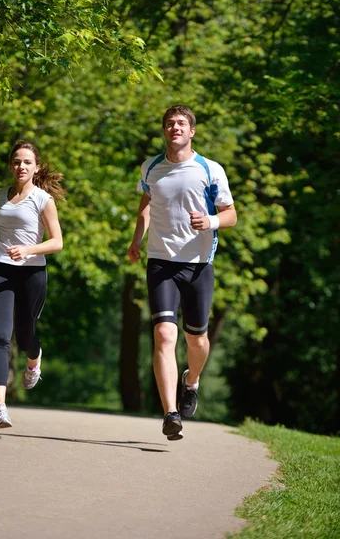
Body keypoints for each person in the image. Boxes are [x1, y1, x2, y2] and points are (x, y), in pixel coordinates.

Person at [127, 105, 237, 440]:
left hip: (199, 265)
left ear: (192, 131)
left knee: (197, 340)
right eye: (170, 124)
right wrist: (136, 240)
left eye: (181, 124)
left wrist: (211, 221)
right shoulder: (151, 168)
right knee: (164, 335)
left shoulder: (209, 169)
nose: (175, 128)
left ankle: (192, 381)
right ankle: (170, 413)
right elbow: (145, 203)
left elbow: (231, 214)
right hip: (160, 263)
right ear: (164, 131)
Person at [0, 141, 65, 429]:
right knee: (1, 336)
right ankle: (0, 408)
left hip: (31, 273)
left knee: (26, 336)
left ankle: (34, 359)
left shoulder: (43, 199)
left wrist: (28, 250)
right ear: (10, 165)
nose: (21, 167)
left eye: (27, 162)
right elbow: (1, 233)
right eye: (16, 162)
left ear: (36, 167)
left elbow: (57, 242)